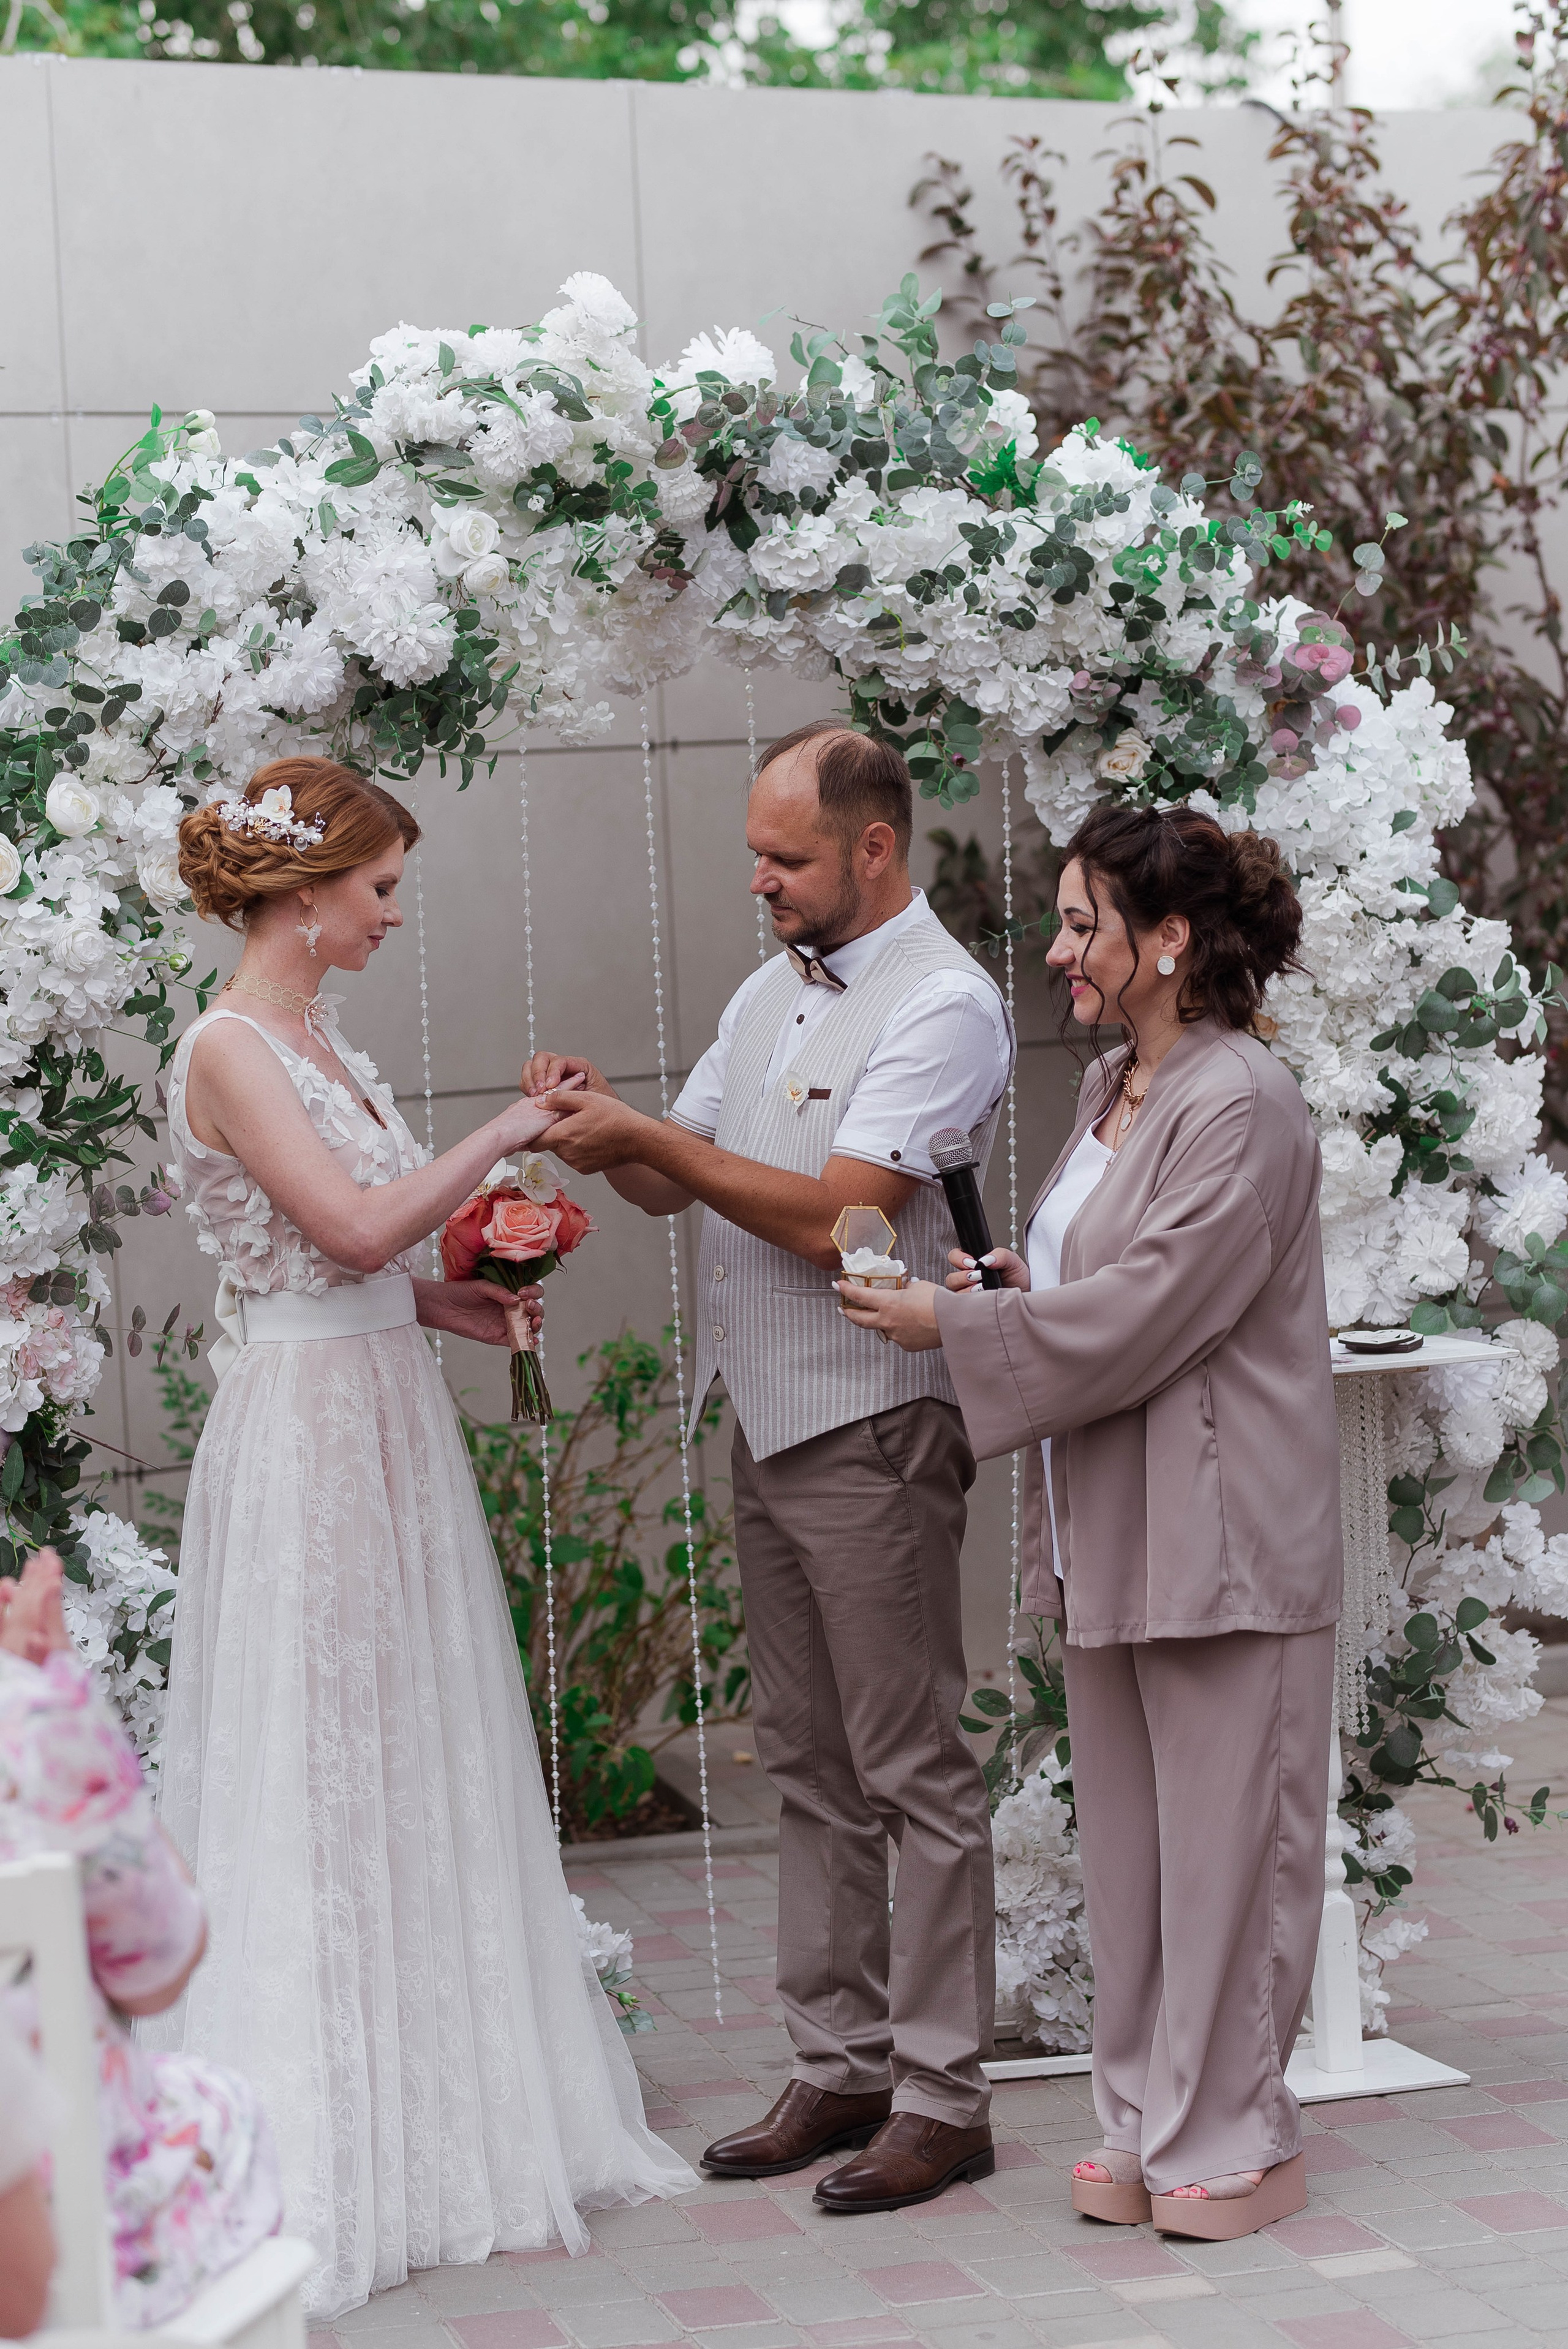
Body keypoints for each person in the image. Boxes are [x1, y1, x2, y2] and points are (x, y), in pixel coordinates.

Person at [146, 757, 695, 2320]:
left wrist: (463, 1292)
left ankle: (439, 2116)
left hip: (375, 1400)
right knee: (317, 1751)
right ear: (307, 891)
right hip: (310, 1433)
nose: (392, 911)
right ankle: (328, 2136)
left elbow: (370, 1262)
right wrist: (512, 1130)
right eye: (379, 886)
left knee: (408, 1740)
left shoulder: (319, 1038)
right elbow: (346, 1227)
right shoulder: (232, 1042)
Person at [523, 720, 1014, 2214]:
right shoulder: (766, 987)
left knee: (909, 1761)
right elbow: (674, 1171)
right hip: (770, 1414)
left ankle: (943, 2091)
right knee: (801, 1757)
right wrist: (593, 1122)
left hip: (872, 1417)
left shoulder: (947, 1002)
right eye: (756, 850)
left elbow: (841, 1223)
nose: (760, 876)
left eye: (785, 855)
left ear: (872, 846)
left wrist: (638, 1137)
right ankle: (839, 2057)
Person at [837, 802, 1342, 2243]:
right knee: (1133, 1852)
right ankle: (1138, 2114)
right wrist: (1000, 1286)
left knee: (1230, 1851)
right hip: (1112, 1523)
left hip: (1224, 1533)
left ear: (1167, 939)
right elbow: (1088, 1277)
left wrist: (953, 1323)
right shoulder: (1116, 1082)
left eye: (1079, 922)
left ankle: (1236, 2130)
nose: (1055, 949)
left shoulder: (1237, 1099)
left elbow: (1148, 1307)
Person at [0, 1545, 282, 2327]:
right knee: (221, 2105)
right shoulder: (27, 1720)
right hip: (58, 2225)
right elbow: (159, 1966)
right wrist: (64, 1704)